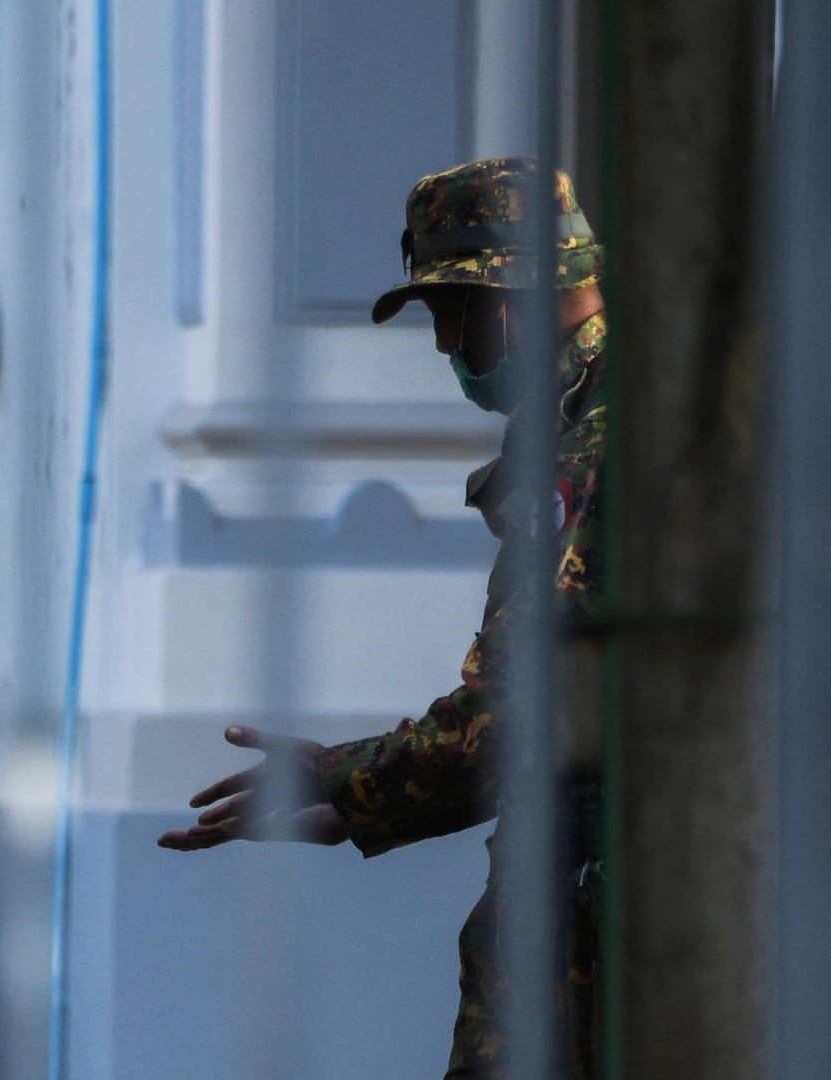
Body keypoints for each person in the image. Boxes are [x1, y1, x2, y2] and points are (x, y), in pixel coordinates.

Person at [157, 158, 609, 1078]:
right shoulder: (582, 418)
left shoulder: (595, 436)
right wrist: (357, 800)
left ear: (503, 301)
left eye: (448, 315)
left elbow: (514, 719)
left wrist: (344, 777)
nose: (446, 347)